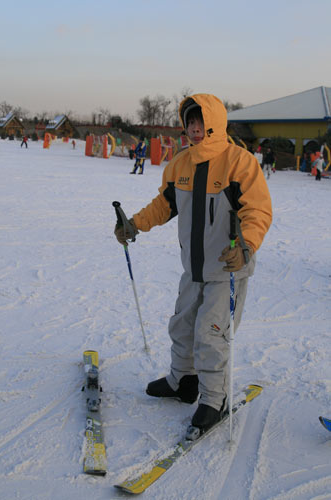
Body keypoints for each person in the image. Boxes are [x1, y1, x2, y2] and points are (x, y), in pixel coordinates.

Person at [115, 94, 272, 436]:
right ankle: (183, 381)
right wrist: (135, 224)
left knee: (212, 334)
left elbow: (257, 211)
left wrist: (245, 245)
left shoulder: (239, 163)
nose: (196, 129)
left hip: (228, 267)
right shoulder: (180, 164)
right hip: (194, 268)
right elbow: (164, 205)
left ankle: (214, 400)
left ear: (214, 123)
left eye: (201, 123)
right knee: (183, 324)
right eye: (190, 123)